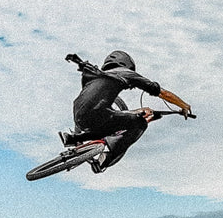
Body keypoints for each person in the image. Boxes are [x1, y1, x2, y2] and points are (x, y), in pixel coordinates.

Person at [61, 50, 191, 173]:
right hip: (98, 114)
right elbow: (164, 93)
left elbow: (93, 105)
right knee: (140, 123)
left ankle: (73, 138)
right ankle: (106, 159)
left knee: (110, 124)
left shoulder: (94, 75)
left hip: (79, 116)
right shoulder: (127, 73)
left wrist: (135, 112)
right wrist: (184, 106)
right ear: (126, 64)